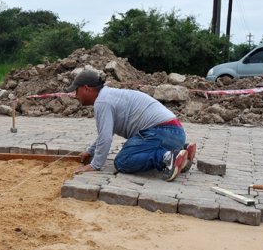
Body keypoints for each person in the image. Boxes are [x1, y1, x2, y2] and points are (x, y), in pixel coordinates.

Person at [67, 70, 196, 182]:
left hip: (161, 132)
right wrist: (90, 151)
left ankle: (168, 158)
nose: (75, 95)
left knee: (123, 160)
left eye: (76, 90)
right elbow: (106, 132)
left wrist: (95, 165)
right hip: (175, 133)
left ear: (86, 88)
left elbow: (106, 137)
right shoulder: (108, 96)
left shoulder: (102, 102)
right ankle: (181, 151)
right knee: (132, 151)